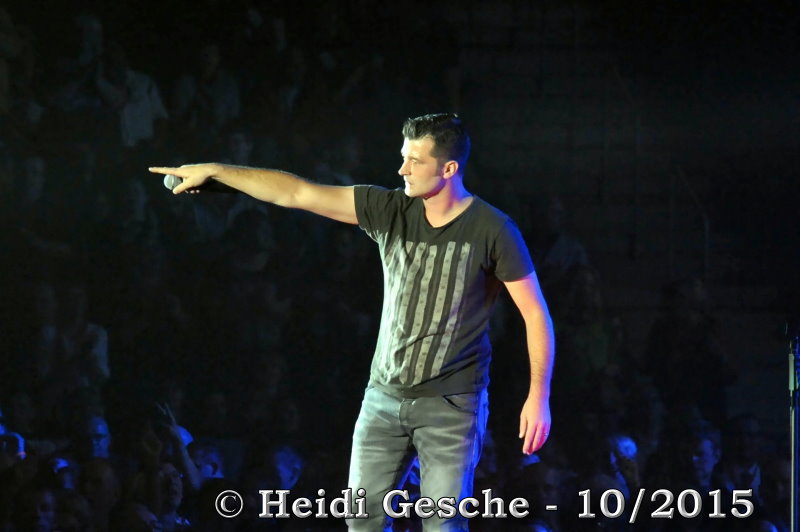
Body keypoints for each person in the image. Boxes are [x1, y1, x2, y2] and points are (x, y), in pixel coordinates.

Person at [149, 113, 554, 530]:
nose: (402, 169)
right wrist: (217, 172)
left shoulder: (493, 229)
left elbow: (534, 313)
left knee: (443, 526)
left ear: (449, 169)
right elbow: (296, 192)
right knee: (362, 523)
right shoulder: (390, 208)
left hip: (451, 405)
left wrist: (538, 395)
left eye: (415, 161)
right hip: (384, 396)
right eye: (403, 157)